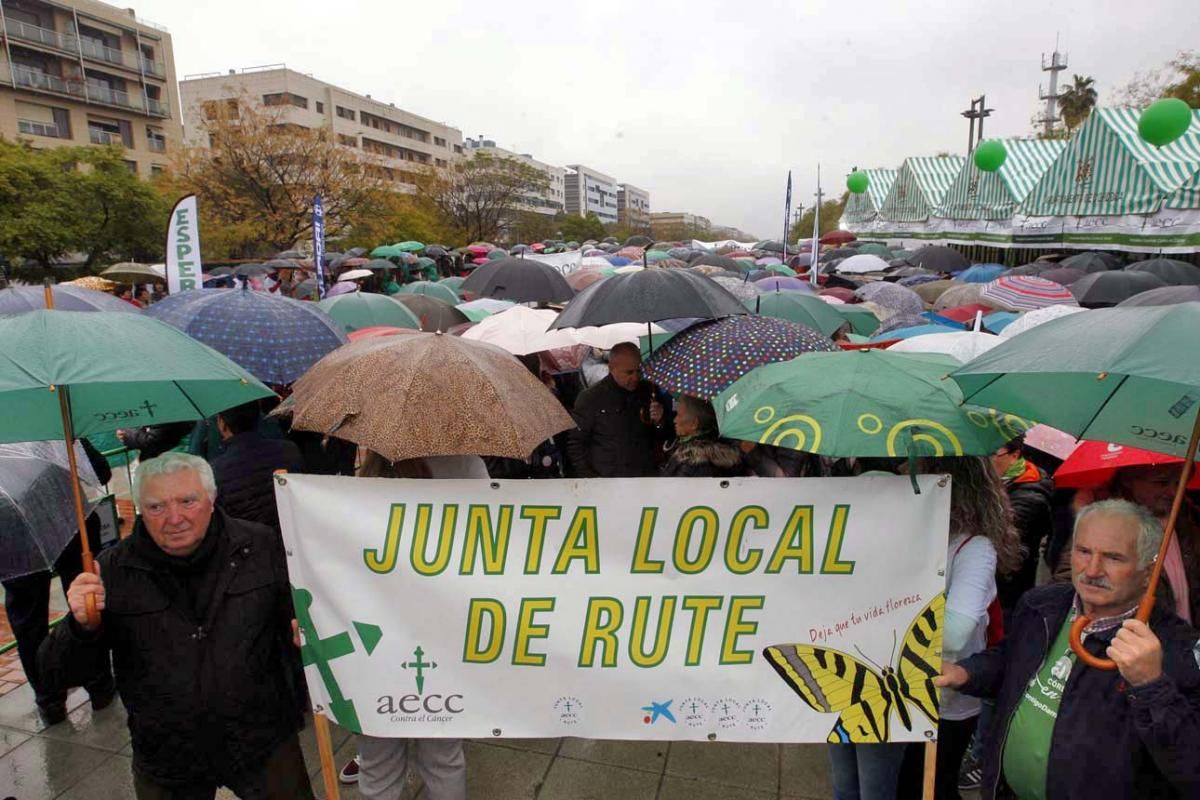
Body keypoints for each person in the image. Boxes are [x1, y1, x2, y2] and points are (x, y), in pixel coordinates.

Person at [38, 453, 312, 799]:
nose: (174, 518)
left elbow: (298, 618)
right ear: (139, 509)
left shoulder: (259, 544)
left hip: (263, 740)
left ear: (211, 501)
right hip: (168, 758)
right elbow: (55, 674)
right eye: (156, 507)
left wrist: (303, 631)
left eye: (188, 501)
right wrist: (80, 628)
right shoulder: (112, 572)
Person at [936, 500, 1200, 800]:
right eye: (1083, 551)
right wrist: (965, 672)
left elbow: (1191, 770)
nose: (1093, 569)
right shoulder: (1042, 605)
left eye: (1113, 557)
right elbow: (1011, 661)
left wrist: (1152, 685)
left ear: (1147, 570)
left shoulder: (1177, 649)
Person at [338, 450, 472, 799]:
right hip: (443, 637)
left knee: (378, 762)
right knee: (443, 758)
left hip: (376, 645)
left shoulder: (367, 478)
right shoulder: (466, 464)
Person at [897, 457, 1022, 800]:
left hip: (948, 699)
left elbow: (955, 634)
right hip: (908, 688)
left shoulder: (975, 548)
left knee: (929, 786)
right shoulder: (921, 536)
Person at [1, 439, 115, 725]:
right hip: (71, 524)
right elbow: (100, 471)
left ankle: (50, 701)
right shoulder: (50, 420)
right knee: (89, 603)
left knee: (28, 624)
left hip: (12, 539)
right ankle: (99, 683)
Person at [567, 342, 671, 478]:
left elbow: (665, 437)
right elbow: (575, 443)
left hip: (645, 477)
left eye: (638, 370)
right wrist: (591, 479)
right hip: (608, 480)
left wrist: (660, 421)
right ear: (611, 368)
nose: (635, 377)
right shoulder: (591, 398)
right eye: (629, 372)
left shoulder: (649, 391)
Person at [209, 400, 305, 532]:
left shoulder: (215, 470)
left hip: (249, 546)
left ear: (222, 424)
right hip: (293, 535)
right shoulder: (289, 450)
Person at [990, 436, 1054, 614]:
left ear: (1014, 454)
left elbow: (1000, 537)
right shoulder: (997, 482)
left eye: (992, 454)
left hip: (1009, 589)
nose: (985, 461)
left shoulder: (1032, 495)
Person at [660, 394, 747, 478]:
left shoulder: (693, 463)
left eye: (679, 415)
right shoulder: (717, 451)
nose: (675, 420)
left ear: (694, 423)